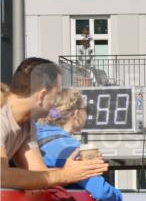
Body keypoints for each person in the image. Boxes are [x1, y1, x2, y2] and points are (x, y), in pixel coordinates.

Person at [1, 58, 108, 190]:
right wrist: (65, 175)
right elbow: (2, 176)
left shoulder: (26, 124)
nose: (56, 102)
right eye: (57, 94)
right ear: (42, 96)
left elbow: (39, 175)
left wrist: (77, 169)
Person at [36, 88, 122, 201]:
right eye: (87, 109)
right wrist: (118, 197)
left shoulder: (29, 135)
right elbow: (102, 193)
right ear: (76, 114)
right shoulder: (72, 148)